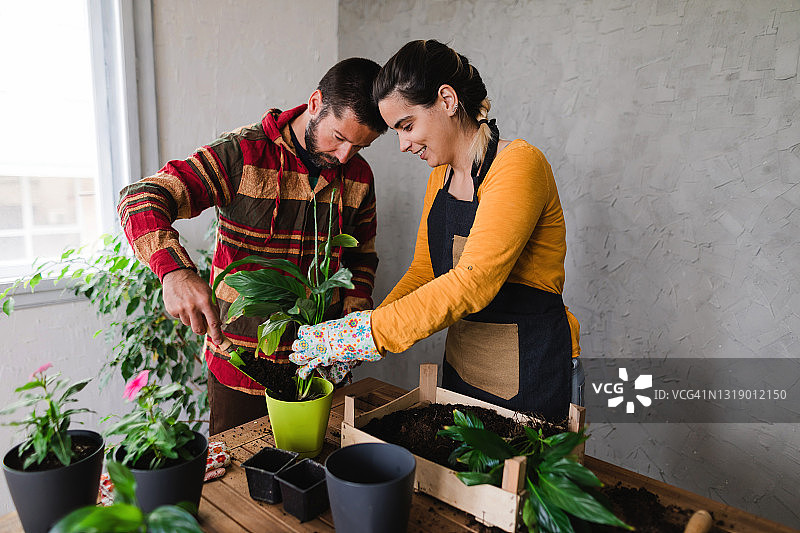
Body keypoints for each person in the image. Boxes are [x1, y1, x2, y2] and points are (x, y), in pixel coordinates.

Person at [290, 40, 583, 421]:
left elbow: (472, 283)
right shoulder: (440, 178)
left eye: (407, 126)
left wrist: (368, 334)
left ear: (446, 100)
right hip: (463, 371)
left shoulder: (518, 165)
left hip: (533, 371)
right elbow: (425, 272)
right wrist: (358, 338)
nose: (402, 145)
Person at [117, 58, 387, 434]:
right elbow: (141, 198)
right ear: (315, 103)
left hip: (318, 369)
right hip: (241, 366)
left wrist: (352, 325)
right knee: (238, 485)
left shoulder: (358, 175)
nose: (344, 157)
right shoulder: (242, 154)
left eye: (360, 147)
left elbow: (362, 258)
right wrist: (174, 272)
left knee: (317, 476)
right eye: (339, 138)